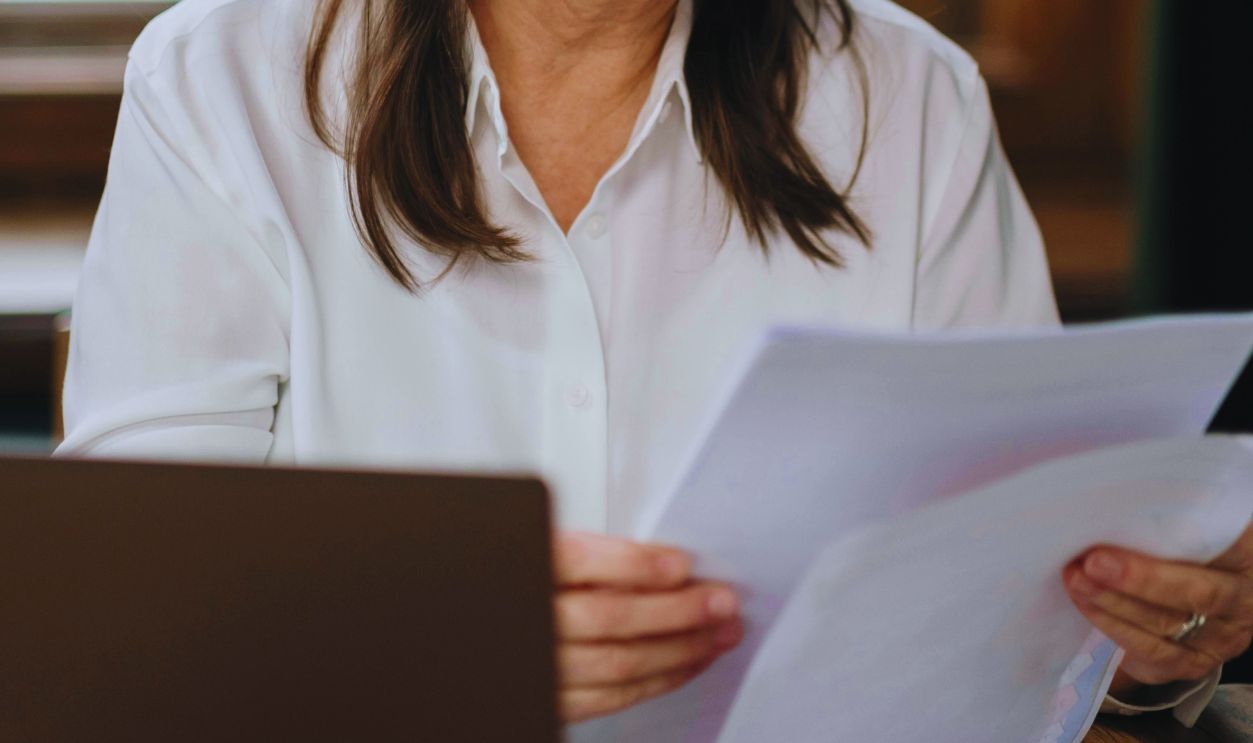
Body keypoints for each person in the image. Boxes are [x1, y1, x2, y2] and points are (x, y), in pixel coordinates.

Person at [59, 0, 1253, 728]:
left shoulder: (907, 94)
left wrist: (1145, 648)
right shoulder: (221, 81)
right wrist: (448, 649)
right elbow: (152, 614)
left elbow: (1013, 614)